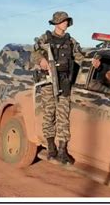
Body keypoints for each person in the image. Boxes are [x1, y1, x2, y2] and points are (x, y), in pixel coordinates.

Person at [31, 11, 99, 164]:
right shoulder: (45, 38)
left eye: (66, 21)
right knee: (49, 114)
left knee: (63, 116)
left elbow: (80, 57)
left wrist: (92, 62)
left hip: (65, 82)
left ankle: (62, 150)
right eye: (62, 21)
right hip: (48, 81)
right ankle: (50, 147)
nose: (65, 23)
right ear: (56, 23)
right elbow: (33, 53)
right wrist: (41, 59)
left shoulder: (71, 41)